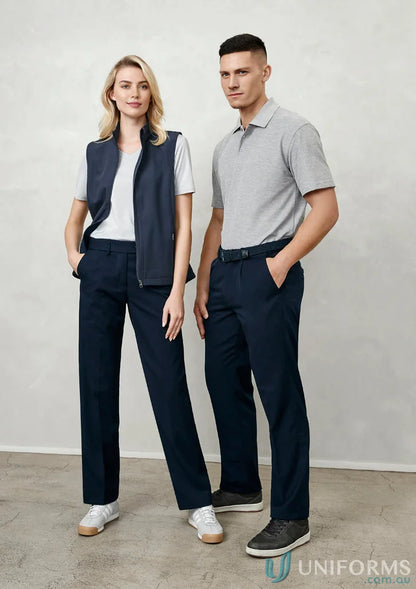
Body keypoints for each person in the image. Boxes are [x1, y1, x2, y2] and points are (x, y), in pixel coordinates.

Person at [64, 54, 223, 544]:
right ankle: (101, 499)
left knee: (168, 385)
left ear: (151, 93)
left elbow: (184, 226)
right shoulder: (94, 152)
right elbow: (75, 218)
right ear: (111, 94)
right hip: (101, 266)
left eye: (142, 85)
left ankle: (198, 503)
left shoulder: (172, 145)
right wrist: (79, 261)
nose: (134, 93)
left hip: (154, 272)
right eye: (125, 85)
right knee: (96, 384)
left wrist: (177, 290)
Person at [194, 34, 339, 557]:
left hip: (267, 271)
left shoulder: (294, 131)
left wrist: (278, 265)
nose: (232, 82)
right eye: (225, 74)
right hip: (226, 276)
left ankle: (292, 515)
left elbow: (325, 208)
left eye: (242, 72)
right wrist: (204, 283)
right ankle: (241, 485)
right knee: (222, 379)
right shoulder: (225, 147)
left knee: (278, 391)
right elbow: (218, 220)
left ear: (265, 72)